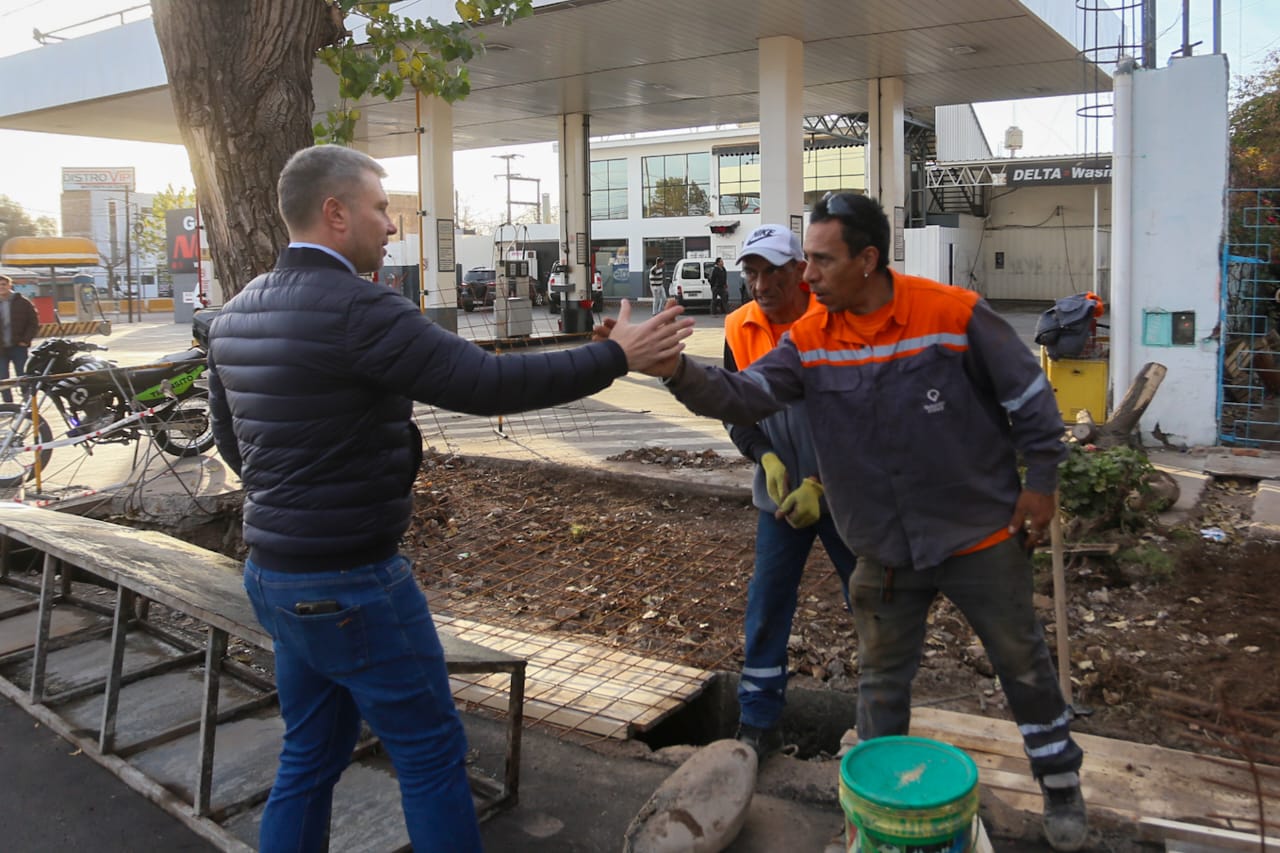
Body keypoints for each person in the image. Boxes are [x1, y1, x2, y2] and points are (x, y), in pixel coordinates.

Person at [206, 144, 692, 853]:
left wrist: (297, 494)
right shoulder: (361, 308)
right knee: (431, 753)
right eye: (381, 209)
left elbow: (233, 442)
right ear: (335, 213)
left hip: (272, 574)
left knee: (309, 755)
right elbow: (486, 385)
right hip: (354, 584)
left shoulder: (237, 312)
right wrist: (617, 356)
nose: (391, 226)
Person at [645, 193, 1088, 852]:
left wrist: (1042, 484)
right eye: (807, 259)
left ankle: (1060, 784)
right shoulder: (811, 339)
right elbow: (743, 394)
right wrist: (675, 370)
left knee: (1021, 660)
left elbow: (1029, 398)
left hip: (977, 533)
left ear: (868, 259)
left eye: (822, 260)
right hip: (884, 548)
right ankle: (878, 812)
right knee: (881, 683)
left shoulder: (952, 315)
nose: (809, 274)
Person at [724, 226, 856, 760]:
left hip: (846, 495)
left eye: (773, 272)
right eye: (752, 273)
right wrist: (765, 455)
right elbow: (734, 408)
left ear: (800, 271)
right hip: (779, 497)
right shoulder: (738, 327)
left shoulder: (836, 322)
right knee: (768, 601)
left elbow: (860, 417)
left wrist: (819, 483)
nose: (761, 285)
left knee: (871, 599)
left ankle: (885, 718)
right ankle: (757, 721)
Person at [0, 276, 38, 404]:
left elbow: (33, 323)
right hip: (1, 349)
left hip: (18, 347)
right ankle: (8, 405)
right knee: (3, 378)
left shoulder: (22, 302)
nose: (1, 287)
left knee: (23, 377)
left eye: (4, 284)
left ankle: (28, 403)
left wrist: (25, 340)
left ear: (9, 285)